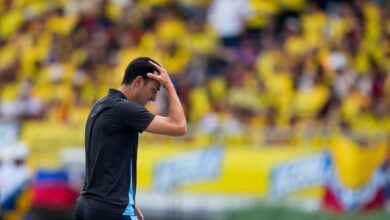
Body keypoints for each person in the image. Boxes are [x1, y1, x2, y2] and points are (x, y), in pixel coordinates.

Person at [75, 57, 187, 220]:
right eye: (154, 90)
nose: (154, 98)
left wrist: (129, 199)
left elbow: (106, 160)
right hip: (112, 210)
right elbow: (179, 126)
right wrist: (170, 86)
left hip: (87, 206)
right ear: (138, 81)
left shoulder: (101, 105)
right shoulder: (124, 109)